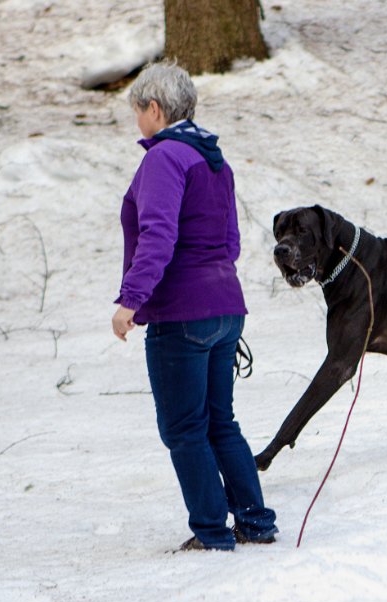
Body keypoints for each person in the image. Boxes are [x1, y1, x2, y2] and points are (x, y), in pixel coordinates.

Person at [111, 62, 277, 551]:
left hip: (182, 314)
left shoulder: (165, 158)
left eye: (138, 111)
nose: (137, 122)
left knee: (185, 428)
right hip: (226, 307)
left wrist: (131, 300)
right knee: (219, 421)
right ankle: (255, 522)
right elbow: (229, 242)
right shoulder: (214, 161)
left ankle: (211, 533)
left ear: (155, 108)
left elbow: (158, 235)